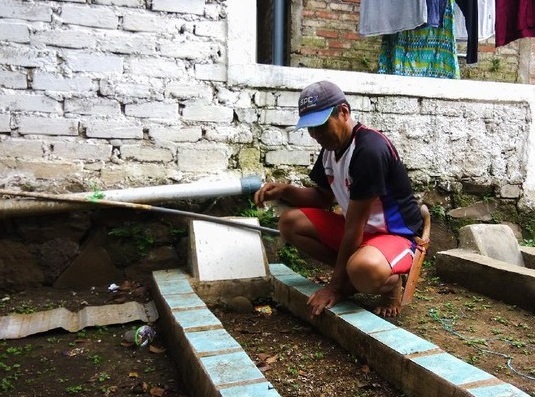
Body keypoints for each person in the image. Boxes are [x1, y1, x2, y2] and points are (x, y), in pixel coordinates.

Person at [254, 80, 423, 318]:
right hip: (362, 233)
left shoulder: (369, 150)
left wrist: (335, 288)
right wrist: (284, 191)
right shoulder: (331, 149)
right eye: (310, 129)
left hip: (396, 236)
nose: (315, 135)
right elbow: (322, 197)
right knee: (290, 222)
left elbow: (355, 225)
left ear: (343, 112)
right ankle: (352, 274)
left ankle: (390, 282)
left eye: (321, 126)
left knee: (364, 269)